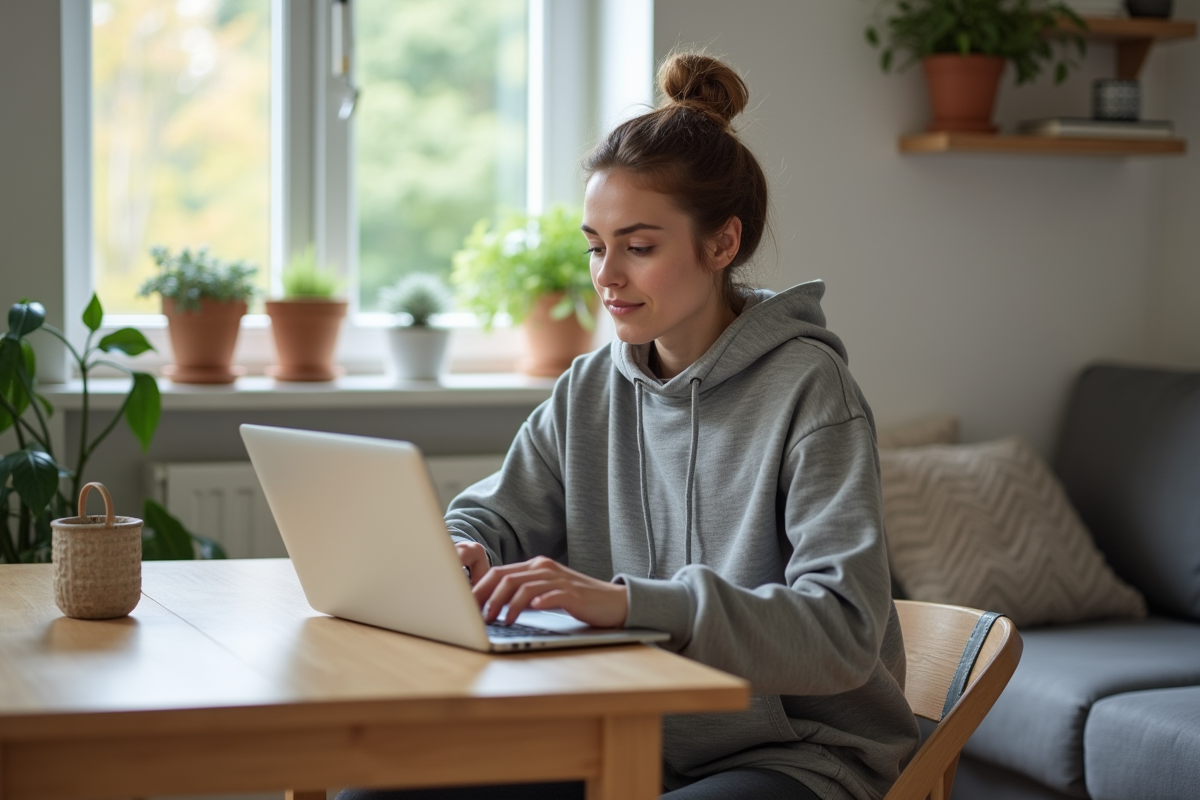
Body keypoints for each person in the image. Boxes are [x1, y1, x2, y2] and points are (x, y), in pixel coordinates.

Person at [340, 52, 918, 800]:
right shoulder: (591, 388)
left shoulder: (810, 392)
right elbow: (496, 514)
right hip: (623, 735)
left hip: (798, 759)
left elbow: (843, 632)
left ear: (722, 244)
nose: (606, 276)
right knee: (372, 792)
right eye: (596, 245)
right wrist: (463, 548)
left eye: (638, 247)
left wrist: (626, 604)